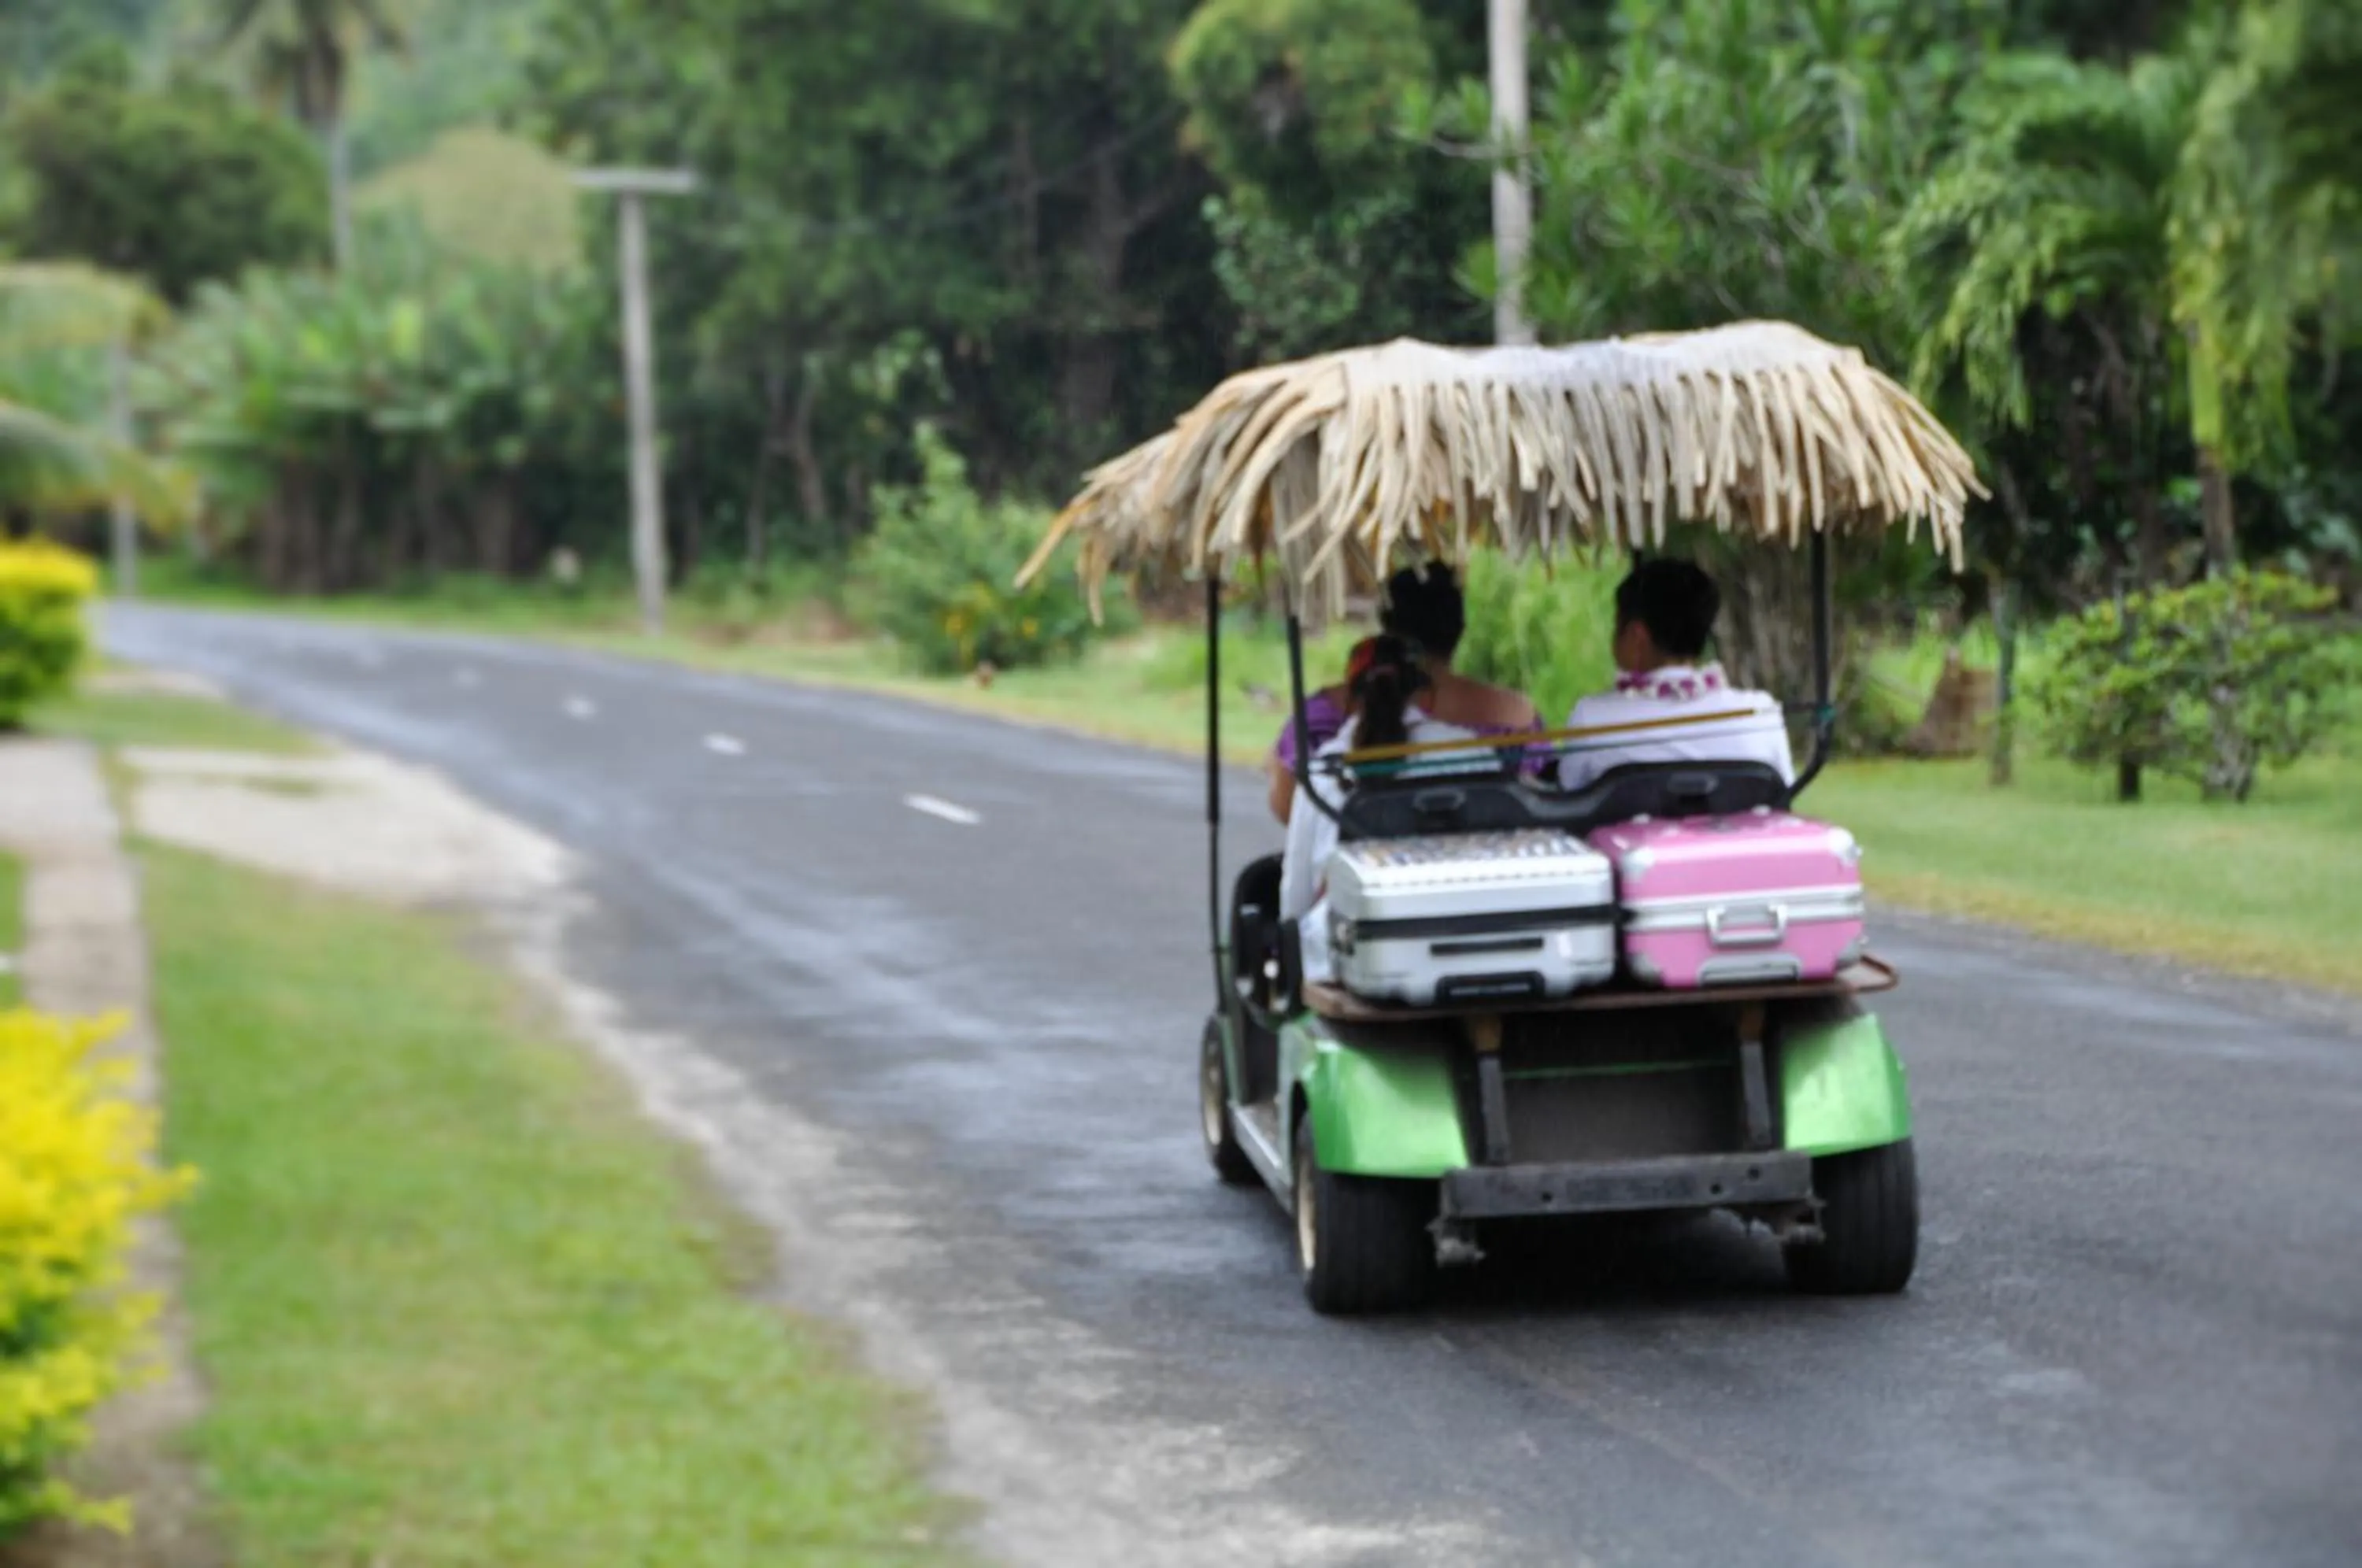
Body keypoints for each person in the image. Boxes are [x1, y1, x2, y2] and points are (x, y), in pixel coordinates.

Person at [1267, 564, 1542, 823]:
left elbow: (1287, 806)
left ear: (1386, 625)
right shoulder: (1516, 716)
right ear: (1460, 630)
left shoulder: (1321, 716)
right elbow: (1540, 803)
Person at [1279, 635, 1483, 982]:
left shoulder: (1323, 772)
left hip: (1343, 955)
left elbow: (1296, 895)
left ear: (1351, 697)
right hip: (1460, 944)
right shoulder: (1470, 753)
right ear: (1424, 692)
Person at [1557, 559, 1794, 792]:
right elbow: (1783, 797)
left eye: (1616, 626)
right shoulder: (1761, 714)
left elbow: (1568, 794)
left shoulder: (1592, 718)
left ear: (1636, 637)